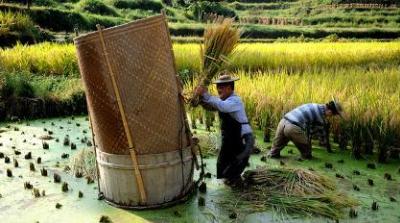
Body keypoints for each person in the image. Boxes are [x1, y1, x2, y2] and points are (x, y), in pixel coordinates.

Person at [195, 74, 254, 185]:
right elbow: (212, 106)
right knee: (222, 165)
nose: (218, 89)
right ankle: (230, 181)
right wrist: (200, 99)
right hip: (230, 139)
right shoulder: (223, 101)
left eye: (221, 87)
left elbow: (223, 106)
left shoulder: (235, 101)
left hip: (243, 139)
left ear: (229, 88)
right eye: (218, 87)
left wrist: (205, 94)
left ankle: (237, 186)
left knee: (236, 165)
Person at [268, 98, 344, 159]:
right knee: (307, 152)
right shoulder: (320, 116)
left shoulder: (313, 105)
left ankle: (272, 157)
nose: (330, 117)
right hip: (292, 128)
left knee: (274, 151)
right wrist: (328, 148)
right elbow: (320, 136)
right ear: (330, 111)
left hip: (282, 122)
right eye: (332, 115)